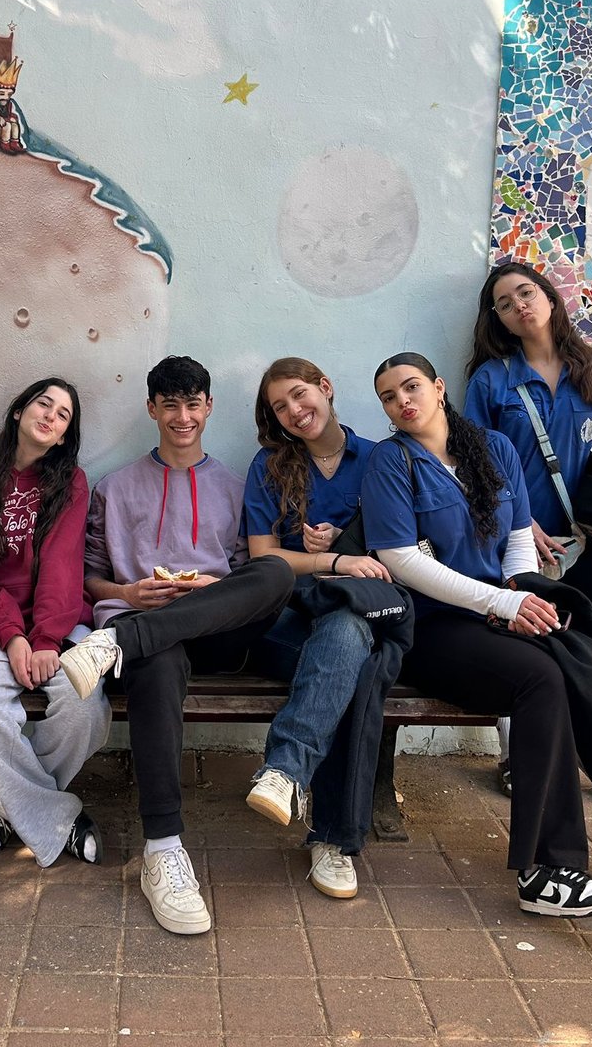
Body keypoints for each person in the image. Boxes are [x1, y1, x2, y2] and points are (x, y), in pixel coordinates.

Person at [360, 353, 592, 925]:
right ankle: (548, 872)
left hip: (502, 612)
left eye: (411, 387)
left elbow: (516, 539)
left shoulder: (495, 448)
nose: (402, 401)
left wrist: (517, 593)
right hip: (434, 627)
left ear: (438, 387)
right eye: (388, 396)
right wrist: (501, 603)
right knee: (543, 678)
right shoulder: (391, 462)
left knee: (591, 669)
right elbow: (401, 559)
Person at [61, 356, 293, 935]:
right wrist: (128, 594)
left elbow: (249, 577)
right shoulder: (115, 487)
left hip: (213, 635)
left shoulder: (236, 486)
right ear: (152, 409)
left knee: (275, 572)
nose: (182, 417)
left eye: (192, 404)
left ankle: (118, 642)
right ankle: (163, 848)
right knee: (158, 659)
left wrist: (214, 588)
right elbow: (89, 579)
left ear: (209, 407)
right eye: (170, 405)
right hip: (144, 629)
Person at [465, 262, 592, 796]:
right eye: (505, 304)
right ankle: (520, 756)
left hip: (581, 536)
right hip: (516, 538)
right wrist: (519, 522)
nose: (519, 306)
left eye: (526, 293)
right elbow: (476, 465)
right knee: (532, 641)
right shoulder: (492, 380)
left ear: (549, 297)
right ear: (498, 320)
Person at [241, 356, 400, 901]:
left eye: (299, 394)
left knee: (347, 640)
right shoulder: (269, 466)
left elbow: (407, 547)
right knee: (346, 663)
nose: (293, 410)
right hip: (285, 623)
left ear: (325, 388)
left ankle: (285, 772)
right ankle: (332, 837)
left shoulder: (380, 459)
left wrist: (350, 544)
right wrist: (326, 559)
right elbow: (264, 558)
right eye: (279, 407)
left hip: (362, 617)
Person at [0, 378, 109, 867]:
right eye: (44, 404)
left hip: (59, 624)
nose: (51, 416)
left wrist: (46, 639)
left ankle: (3, 806)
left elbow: (63, 565)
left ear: (63, 436)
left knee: (84, 708)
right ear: (19, 411)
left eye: (63, 415)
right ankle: (57, 818)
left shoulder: (70, 483)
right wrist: (13, 637)